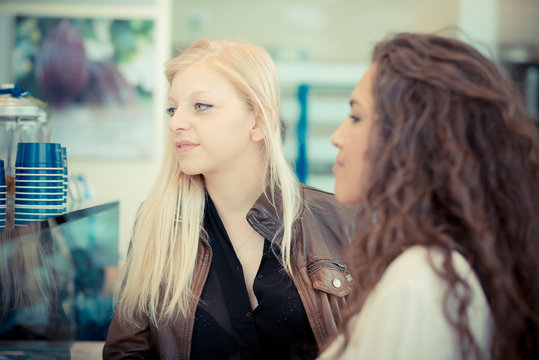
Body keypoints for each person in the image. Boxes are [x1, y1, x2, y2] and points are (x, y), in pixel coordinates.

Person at [102, 39, 353, 359]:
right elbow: (126, 351)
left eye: (200, 105)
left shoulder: (338, 218)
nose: (175, 122)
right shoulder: (158, 222)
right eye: (172, 108)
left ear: (259, 122)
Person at [320, 32, 539, 359]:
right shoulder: (445, 268)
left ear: (411, 138)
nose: (337, 136)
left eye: (356, 117)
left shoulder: (420, 280)